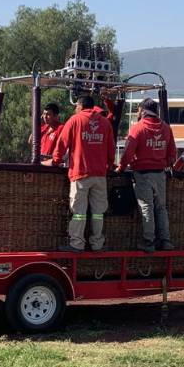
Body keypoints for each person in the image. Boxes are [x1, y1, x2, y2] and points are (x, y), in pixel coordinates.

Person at [50, 94, 115, 251]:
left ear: (80, 106)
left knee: (79, 212)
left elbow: (62, 144)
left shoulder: (75, 120)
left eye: (76, 106)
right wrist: (110, 164)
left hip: (80, 174)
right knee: (98, 212)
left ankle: (77, 243)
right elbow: (111, 148)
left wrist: (55, 161)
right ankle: (97, 243)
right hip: (100, 175)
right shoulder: (105, 123)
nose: (75, 109)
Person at [118, 98, 177, 253]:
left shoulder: (137, 128)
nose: (137, 112)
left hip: (142, 173)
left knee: (146, 207)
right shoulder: (166, 128)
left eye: (138, 110)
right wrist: (164, 162)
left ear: (143, 111)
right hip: (160, 174)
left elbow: (128, 154)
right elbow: (172, 154)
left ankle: (148, 241)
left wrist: (121, 167)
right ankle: (165, 240)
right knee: (161, 208)